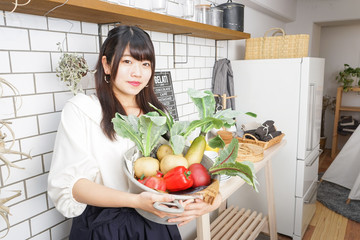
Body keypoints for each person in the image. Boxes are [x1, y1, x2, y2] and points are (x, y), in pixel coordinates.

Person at [47, 25, 222, 240]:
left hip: (155, 224)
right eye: (127, 61)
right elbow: (70, 186)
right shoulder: (82, 109)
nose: (137, 72)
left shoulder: (158, 114)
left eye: (145, 63)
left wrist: (212, 197)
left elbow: (179, 169)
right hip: (103, 228)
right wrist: (135, 201)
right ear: (107, 64)